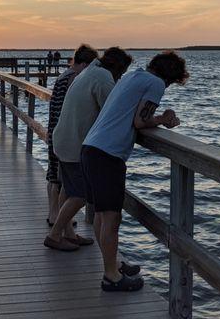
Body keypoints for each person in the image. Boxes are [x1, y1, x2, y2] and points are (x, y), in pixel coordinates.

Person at [81, 50, 189, 292]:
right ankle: (111, 277)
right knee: (111, 217)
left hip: (91, 148)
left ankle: (113, 264)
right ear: (170, 77)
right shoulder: (156, 83)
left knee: (101, 215)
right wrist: (163, 119)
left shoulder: (133, 76)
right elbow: (140, 121)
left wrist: (158, 117)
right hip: (107, 154)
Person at [44, 47, 133, 252]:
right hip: (75, 143)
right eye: (122, 72)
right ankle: (55, 235)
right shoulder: (103, 78)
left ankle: (68, 234)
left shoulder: (89, 72)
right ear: (117, 68)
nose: (121, 77)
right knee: (81, 193)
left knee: (68, 189)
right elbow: (112, 110)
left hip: (63, 139)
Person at [46, 44, 99, 228]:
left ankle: (56, 217)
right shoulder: (75, 78)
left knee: (54, 174)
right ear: (85, 64)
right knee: (62, 180)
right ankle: (59, 221)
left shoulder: (63, 76)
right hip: (66, 132)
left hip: (54, 130)